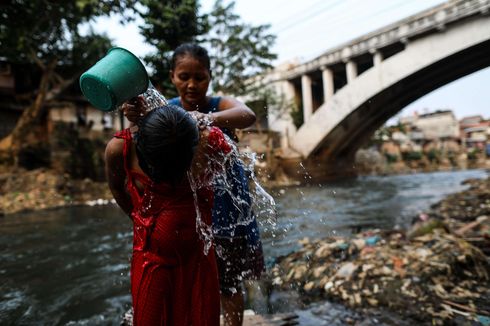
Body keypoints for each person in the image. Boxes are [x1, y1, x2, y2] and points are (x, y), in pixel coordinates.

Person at [122, 43, 265, 326]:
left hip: (228, 208)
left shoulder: (218, 105)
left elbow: (247, 115)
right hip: (192, 208)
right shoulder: (167, 110)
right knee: (195, 275)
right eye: (183, 76)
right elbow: (146, 141)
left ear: (209, 77)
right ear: (172, 76)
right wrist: (135, 117)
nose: (191, 85)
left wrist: (206, 119)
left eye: (199, 77)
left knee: (230, 280)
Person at [105, 105, 231, 325]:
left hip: (198, 257)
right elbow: (117, 188)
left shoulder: (207, 140)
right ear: (142, 146)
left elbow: (246, 117)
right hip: (151, 260)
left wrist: (207, 119)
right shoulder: (121, 147)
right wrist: (140, 221)